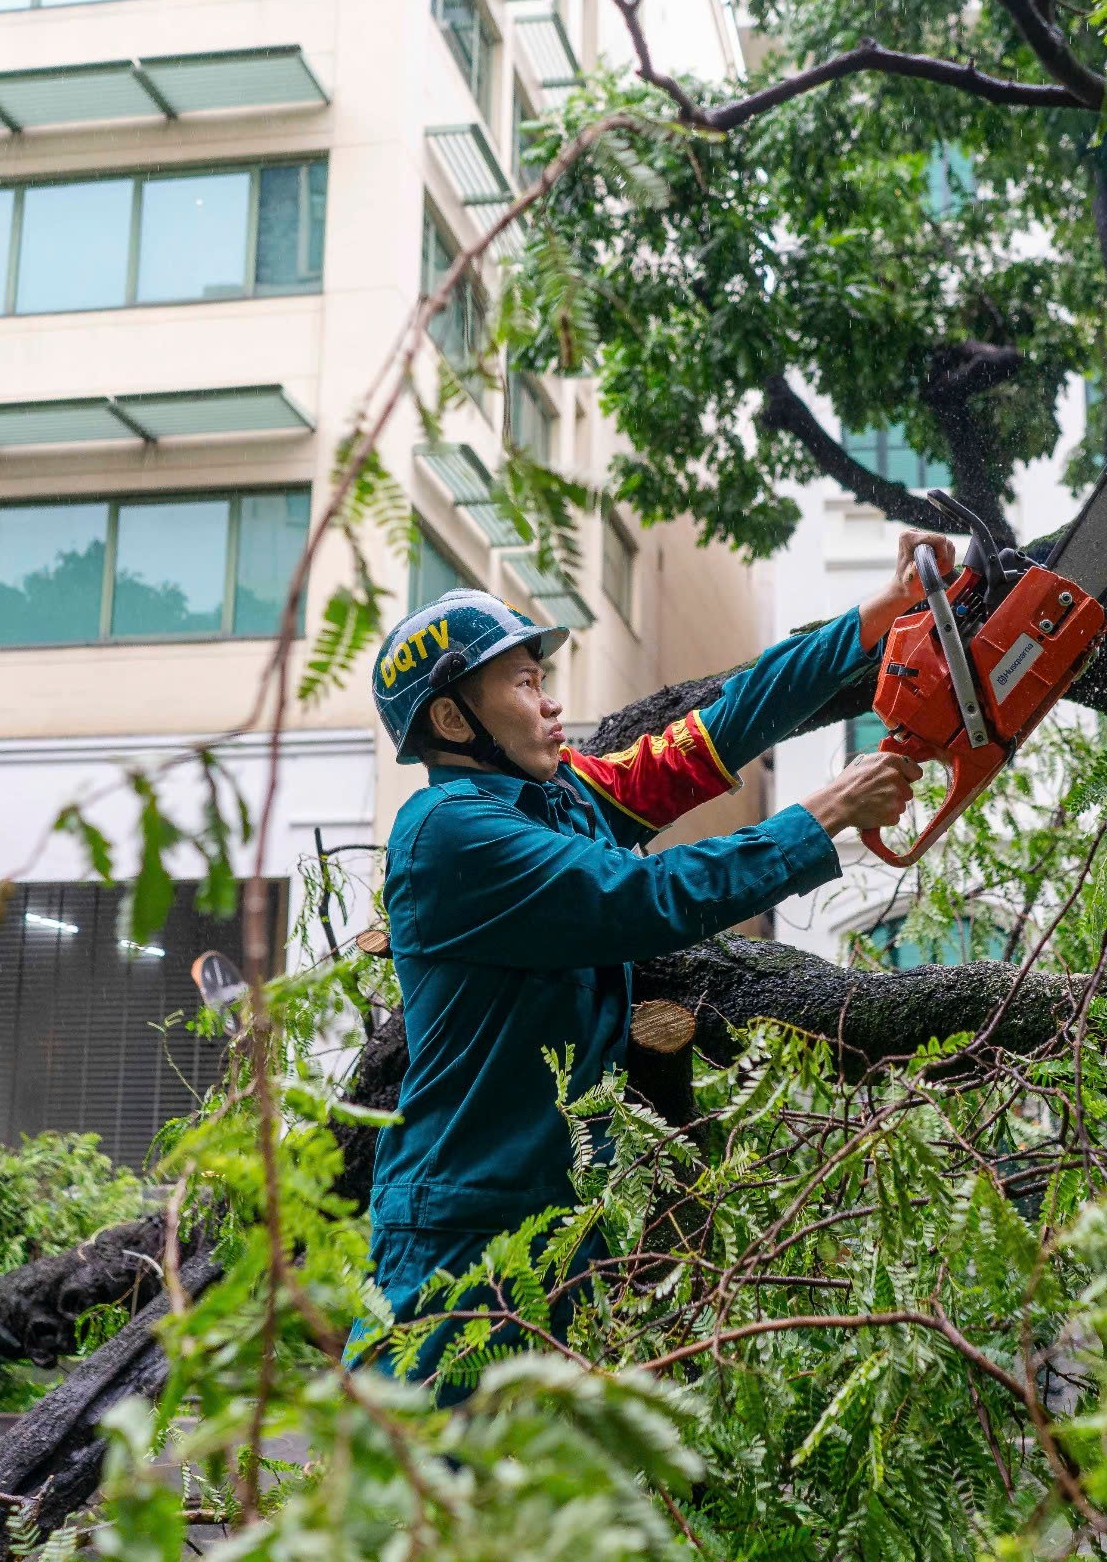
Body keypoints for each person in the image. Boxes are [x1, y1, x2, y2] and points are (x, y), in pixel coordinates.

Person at [358, 531, 948, 1397]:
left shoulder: (559, 802)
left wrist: (880, 615)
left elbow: (717, 730)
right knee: (421, 1500)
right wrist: (821, 815)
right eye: (523, 683)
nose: (549, 703)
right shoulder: (452, 834)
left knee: (525, 1512)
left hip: (553, 1230)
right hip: (458, 1234)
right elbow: (639, 901)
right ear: (454, 719)